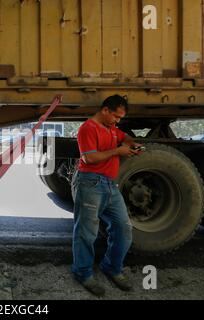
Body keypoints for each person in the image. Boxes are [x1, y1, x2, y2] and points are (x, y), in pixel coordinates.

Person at [71, 95, 142, 297]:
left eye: (120, 118)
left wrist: (131, 144)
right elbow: (89, 157)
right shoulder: (88, 128)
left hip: (110, 185)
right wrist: (117, 151)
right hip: (90, 183)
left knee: (123, 228)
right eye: (116, 116)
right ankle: (82, 273)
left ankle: (111, 266)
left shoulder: (110, 128)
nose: (118, 121)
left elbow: (124, 136)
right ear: (105, 110)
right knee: (86, 232)